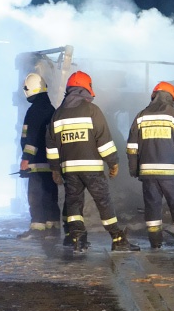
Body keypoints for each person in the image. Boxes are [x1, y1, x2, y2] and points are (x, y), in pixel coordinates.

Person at [46, 71, 140, 253]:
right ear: (85, 89)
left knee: (73, 203)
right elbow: (103, 140)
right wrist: (113, 162)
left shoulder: (57, 115)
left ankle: (77, 239)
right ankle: (117, 238)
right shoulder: (92, 111)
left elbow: (51, 146)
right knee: (103, 202)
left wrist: (55, 169)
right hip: (92, 170)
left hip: (70, 171)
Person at [126, 81, 174, 250]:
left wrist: (133, 168)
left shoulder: (141, 116)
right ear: (172, 97)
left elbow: (132, 146)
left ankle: (155, 242)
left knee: (152, 207)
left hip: (147, 173)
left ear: (154, 95)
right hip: (169, 172)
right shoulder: (173, 115)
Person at [16, 73, 60, 240]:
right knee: (50, 193)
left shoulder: (34, 111)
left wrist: (26, 158)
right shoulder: (51, 109)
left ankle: (38, 228)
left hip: (36, 162)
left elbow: (31, 137)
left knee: (36, 195)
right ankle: (52, 228)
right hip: (50, 162)